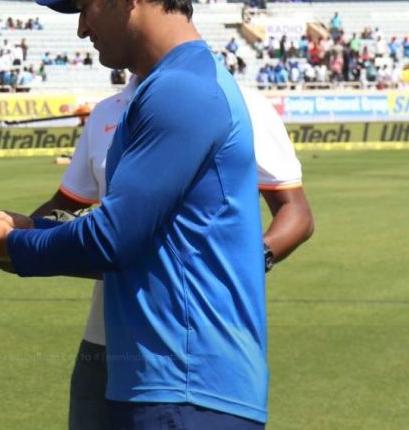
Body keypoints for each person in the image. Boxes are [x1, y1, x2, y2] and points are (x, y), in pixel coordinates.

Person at [0, 0, 268, 429]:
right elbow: (138, 239)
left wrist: (7, 244)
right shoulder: (172, 84)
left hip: (185, 389)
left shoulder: (180, 91)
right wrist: (23, 229)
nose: (81, 28)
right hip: (175, 384)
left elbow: (113, 240)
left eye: (84, 7)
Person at [30, 73, 313, 429]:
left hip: (200, 341)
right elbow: (66, 204)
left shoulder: (244, 103)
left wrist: (253, 260)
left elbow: (296, 212)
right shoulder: (106, 113)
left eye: (88, 14)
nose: (83, 29)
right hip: (105, 342)